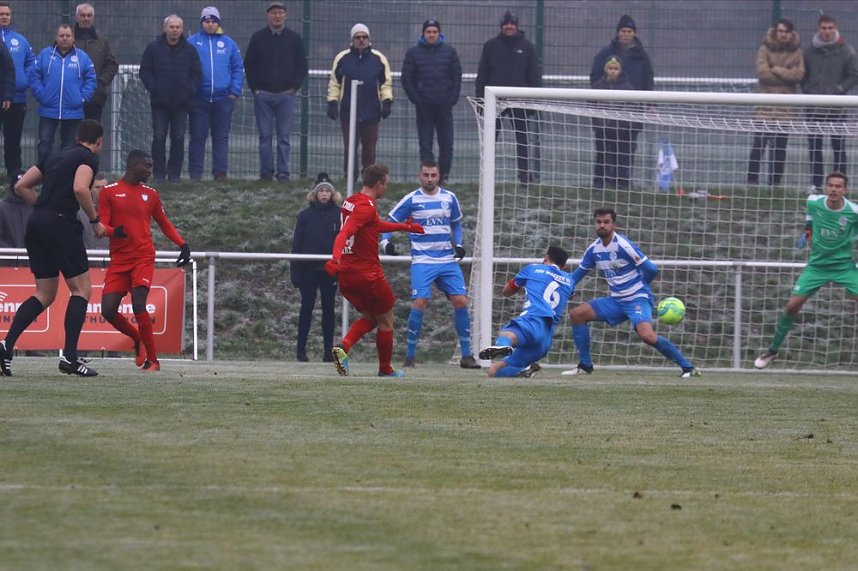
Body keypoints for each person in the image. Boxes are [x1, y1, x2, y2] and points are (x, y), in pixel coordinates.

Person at [0, 119, 105, 377]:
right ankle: (69, 357)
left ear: (77, 136)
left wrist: (42, 209)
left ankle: (5, 347)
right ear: (99, 142)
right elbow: (80, 188)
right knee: (81, 289)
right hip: (61, 224)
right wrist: (94, 220)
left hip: (36, 224)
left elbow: (21, 186)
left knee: (44, 293)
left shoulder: (55, 155)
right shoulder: (88, 158)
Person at [562, 207, 699, 378]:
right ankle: (585, 365)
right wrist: (565, 287)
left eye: (606, 222)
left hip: (636, 299)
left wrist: (640, 287)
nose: (602, 225)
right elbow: (579, 273)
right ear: (594, 224)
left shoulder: (623, 245)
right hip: (616, 301)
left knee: (647, 336)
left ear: (614, 225)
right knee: (577, 314)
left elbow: (651, 269)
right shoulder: (594, 250)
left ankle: (688, 368)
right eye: (598, 222)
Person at [324, 164, 424, 378]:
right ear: (379, 184)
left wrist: (405, 227)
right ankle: (385, 369)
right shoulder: (366, 206)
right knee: (387, 318)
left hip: (348, 277)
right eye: (386, 184)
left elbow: (373, 225)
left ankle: (343, 347)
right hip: (367, 274)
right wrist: (334, 258)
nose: (386, 188)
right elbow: (344, 234)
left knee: (371, 316)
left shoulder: (351, 201)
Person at [381, 160, 480, 369]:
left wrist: (459, 244)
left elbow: (456, 224)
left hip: (446, 260)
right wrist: (386, 242)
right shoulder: (412, 199)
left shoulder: (449, 197)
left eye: (433, 175)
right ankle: (409, 356)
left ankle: (467, 355)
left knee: (461, 301)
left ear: (439, 175)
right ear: (419, 175)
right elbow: (389, 220)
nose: (429, 179)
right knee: (420, 303)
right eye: (426, 175)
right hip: (422, 260)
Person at [98, 150, 191, 372]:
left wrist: (183, 244)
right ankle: (138, 339)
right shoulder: (109, 192)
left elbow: (163, 222)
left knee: (139, 303)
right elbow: (101, 225)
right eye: (147, 166)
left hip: (143, 256)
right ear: (134, 165)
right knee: (108, 310)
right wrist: (114, 231)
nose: (150, 171)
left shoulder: (151, 194)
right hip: (120, 259)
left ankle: (153, 361)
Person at [755, 172, 858, 369]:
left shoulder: (853, 211)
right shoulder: (813, 202)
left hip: (844, 266)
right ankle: (772, 350)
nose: (834, 189)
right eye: (831, 185)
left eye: (838, 186)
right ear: (826, 187)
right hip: (817, 266)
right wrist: (808, 230)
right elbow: (810, 217)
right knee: (792, 306)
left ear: (845, 190)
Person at [479, 246, 574, 378]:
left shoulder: (533, 269)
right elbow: (569, 293)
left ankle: (503, 347)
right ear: (563, 266)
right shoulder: (570, 280)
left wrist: (524, 283)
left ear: (546, 258)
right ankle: (525, 369)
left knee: (507, 335)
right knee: (495, 371)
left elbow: (506, 291)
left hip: (533, 321)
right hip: (545, 340)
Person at [244, 1, 308, 183]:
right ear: (268, 16)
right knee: (264, 136)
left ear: (285, 15)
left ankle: (283, 173)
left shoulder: (294, 39)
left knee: (284, 138)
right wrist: (255, 88)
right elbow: (249, 64)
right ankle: (266, 172)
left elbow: (302, 65)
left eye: (280, 12)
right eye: (274, 13)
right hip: (262, 94)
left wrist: (294, 88)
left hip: (286, 95)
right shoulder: (257, 38)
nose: (277, 16)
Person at [475, 11, 540, 185]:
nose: (509, 26)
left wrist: (533, 102)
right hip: (494, 100)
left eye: (512, 23)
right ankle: (486, 175)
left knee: (522, 139)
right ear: (501, 26)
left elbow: (533, 76)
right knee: (490, 139)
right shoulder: (490, 46)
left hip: (520, 100)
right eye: (506, 24)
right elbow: (482, 75)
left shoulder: (527, 47)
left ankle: (525, 176)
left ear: (517, 26)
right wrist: (481, 101)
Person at [589, 15, 654, 188]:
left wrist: (651, 104)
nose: (626, 34)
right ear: (618, 33)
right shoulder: (606, 53)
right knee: (604, 149)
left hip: (632, 111)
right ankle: (601, 182)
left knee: (627, 148)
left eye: (629, 31)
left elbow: (648, 80)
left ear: (634, 33)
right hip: (606, 111)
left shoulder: (642, 56)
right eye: (623, 31)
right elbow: (594, 77)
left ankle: (623, 183)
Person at [139, 14, 202, 183]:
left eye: (177, 27)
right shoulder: (153, 48)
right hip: (159, 103)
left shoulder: (190, 50)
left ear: (182, 29)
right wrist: (154, 88)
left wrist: (189, 91)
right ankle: (159, 174)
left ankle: (174, 175)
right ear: (165, 28)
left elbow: (197, 75)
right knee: (159, 137)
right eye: (171, 27)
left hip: (181, 104)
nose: (174, 30)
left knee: (179, 138)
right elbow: (145, 71)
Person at [327, 23, 393, 178]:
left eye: (364, 37)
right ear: (352, 39)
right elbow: (334, 82)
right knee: (349, 147)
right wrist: (332, 102)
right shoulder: (342, 58)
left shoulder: (379, 58)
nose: (361, 40)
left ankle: (368, 177)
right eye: (358, 37)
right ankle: (350, 176)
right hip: (348, 110)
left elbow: (386, 82)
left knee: (369, 147)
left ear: (369, 39)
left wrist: (387, 101)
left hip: (371, 110)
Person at [401, 18, 462, 184]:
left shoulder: (449, 52)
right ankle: (428, 176)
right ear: (423, 33)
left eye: (434, 32)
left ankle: (443, 176)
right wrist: (417, 99)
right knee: (425, 144)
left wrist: (452, 97)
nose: (432, 35)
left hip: (444, 105)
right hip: (424, 106)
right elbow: (407, 79)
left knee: (446, 143)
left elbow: (456, 76)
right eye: (428, 32)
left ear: (439, 33)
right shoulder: (413, 53)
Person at [801, 14, 858, 191]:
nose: (827, 31)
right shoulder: (809, 51)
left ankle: (841, 184)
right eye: (824, 28)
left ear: (835, 28)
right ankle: (816, 184)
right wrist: (809, 90)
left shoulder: (846, 51)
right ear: (819, 29)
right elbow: (803, 75)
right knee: (815, 148)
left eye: (830, 28)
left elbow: (854, 75)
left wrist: (840, 89)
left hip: (837, 109)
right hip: (814, 108)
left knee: (838, 147)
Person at [187, 7, 243, 183]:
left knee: (221, 137)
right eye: (207, 21)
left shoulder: (228, 44)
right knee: (197, 137)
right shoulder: (192, 43)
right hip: (198, 99)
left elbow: (237, 68)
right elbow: (185, 69)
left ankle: (220, 172)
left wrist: (234, 92)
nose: (210, 25)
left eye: (213, 22)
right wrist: (190, 92)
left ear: (218, 23)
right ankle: (195, 173)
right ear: (201, 23)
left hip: (223, 99)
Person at [747, 19, 804, 187]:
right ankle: (752, 181)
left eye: (786, 31)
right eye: (780, 31)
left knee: (780, 147)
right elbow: (763, 73)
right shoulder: (764, 49)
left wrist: (777, 70)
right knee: (759, 145)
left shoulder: (797, 52)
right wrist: (786, 75)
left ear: (791, 33)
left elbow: (799, 75)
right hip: (765, 106)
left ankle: (775, 183)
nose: (782, 34)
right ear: (776, 31)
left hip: (785, 108)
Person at [28, 24, 96, 165]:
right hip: (48, 110)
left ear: (73, 38)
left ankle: (64, 179)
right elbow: (34, 76)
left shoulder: (82, 57)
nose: (64, 38)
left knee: (70, 147)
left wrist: (82, 98)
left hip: (73, 111)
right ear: (56, 37)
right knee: (45, 145)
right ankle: (43, 178)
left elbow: (91, 79)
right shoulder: (45, 55)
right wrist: (42, 95)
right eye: (61, 35)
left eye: (67, 36)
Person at [291, 172, 341, 362]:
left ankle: (329, 352)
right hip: (308, 271)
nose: (325, 194)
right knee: (306, 310)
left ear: (332, 194)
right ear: (315, 193)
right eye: (321, 191)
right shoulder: (305, 216)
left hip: (330, 271)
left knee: (329, 312)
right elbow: (296, 245)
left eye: (328, 190)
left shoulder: (339, 215)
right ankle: (300, 351)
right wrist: (295, 272)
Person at [0, 3, 36, 178]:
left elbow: (31, 62)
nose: (4, 17)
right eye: (1, 14)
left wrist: (24, 80)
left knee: (13, 140)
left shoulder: (20, 40)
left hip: (17, 98)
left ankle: (14, 176)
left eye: (7, 14)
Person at [590, 56, 635, 191]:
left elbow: (632, 105)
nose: (613, 71)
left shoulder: (627, 87)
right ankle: (599, 182)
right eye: (610, 68)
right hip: (602, 127)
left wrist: (624, 121)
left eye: (616, 69)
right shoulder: (598, 85)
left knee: (619, 156)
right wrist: (597, 121)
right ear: (606, 70)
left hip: (619, 127)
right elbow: (591, 104)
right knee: (602, 155)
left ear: (620, 70)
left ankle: (619, 182)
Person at [73, 2, 118, 123]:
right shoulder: (68, 39)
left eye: (89, 15)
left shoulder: (102, 41)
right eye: (83, 15)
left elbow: (112, 65)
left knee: (92, 134)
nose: (86, 18)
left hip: (95, 96)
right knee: (71, 135)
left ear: (93, 18)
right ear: (77, 17)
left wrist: (101, 82)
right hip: (71, 95)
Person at [77, 175, 108, 251]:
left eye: (104, 187)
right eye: (97, 187)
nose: (101, 190)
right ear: (90, 189)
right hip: (87, 255)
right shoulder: (79, 212)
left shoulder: (116, 210)